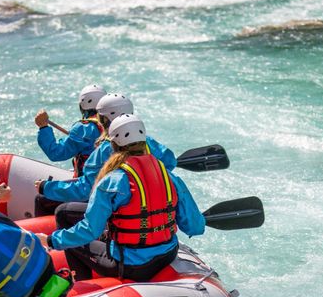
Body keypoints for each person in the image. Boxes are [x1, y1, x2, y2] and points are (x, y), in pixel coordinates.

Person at [36, 114, 205, 282]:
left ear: (113, 144)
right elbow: (195, 227)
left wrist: (52, 240)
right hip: (167, 256)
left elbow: (89, 230)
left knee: (74, 240)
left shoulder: (112, 181)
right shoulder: (170, 177)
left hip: (130, 266)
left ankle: (81, 284)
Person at [34, 93, 178, 228]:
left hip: (114, 210)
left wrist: (46, 187)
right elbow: (170, 162)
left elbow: (86, 189)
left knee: (60, 210)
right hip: (145, 208)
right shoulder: (148, 142)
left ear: (104, 119)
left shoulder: (103, 150)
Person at [33, 84, 107, 216]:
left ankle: (46, 235)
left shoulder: (84, 128)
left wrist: (43, 127)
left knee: (42, 199)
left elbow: (56, 153)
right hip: (107, 187)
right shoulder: (113, 124)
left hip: (89, 190)